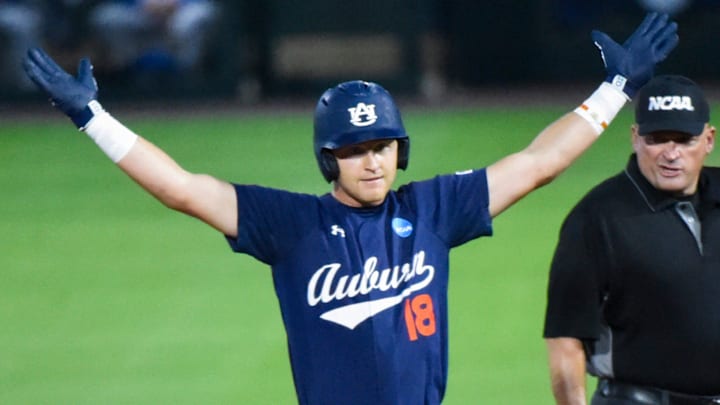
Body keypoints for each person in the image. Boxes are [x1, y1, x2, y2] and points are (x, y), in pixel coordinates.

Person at [22, 12, 678, 405]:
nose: (372, 161)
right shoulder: (289, 225)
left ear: (401, 150)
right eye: (355, 148)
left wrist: (615, 87)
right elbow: (182, 187)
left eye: (383, 146)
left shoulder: (435, 207)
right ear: (326, 158)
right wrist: (92, 116)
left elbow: (539, 163)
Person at [543, 74, 720, 405]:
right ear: (635, 137)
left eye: (684, 139)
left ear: (708, 140)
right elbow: (565, 340)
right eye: (657, 139)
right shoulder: (598, 218)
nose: (671, 153)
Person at [87, 0, 219, 74]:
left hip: (180, 12)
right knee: (106, 18)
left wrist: (176, 5)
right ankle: (125, 66)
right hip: (139, 14)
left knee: (194, 17)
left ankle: (186, 69)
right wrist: (143, 5)